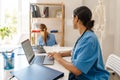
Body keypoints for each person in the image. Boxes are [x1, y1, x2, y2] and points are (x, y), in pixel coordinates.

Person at [48, 6, 110, 80]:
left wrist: (59, 59)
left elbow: (77, 70)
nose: (72, 20)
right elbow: (75, 51)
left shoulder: (89, 40)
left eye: (72, 18)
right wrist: (59, 54)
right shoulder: (85, 35)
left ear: (76, 18)